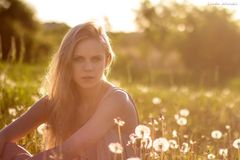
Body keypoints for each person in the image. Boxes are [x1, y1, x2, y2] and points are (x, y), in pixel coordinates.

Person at [0, 21, 139, 160]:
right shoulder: (56, 101)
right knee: (6, 149)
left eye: (96, 59)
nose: (88, 67)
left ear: (107, 60)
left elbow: (71, 150)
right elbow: (4, 135)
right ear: (67, 62)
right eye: (78, 59)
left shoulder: (117, 100)